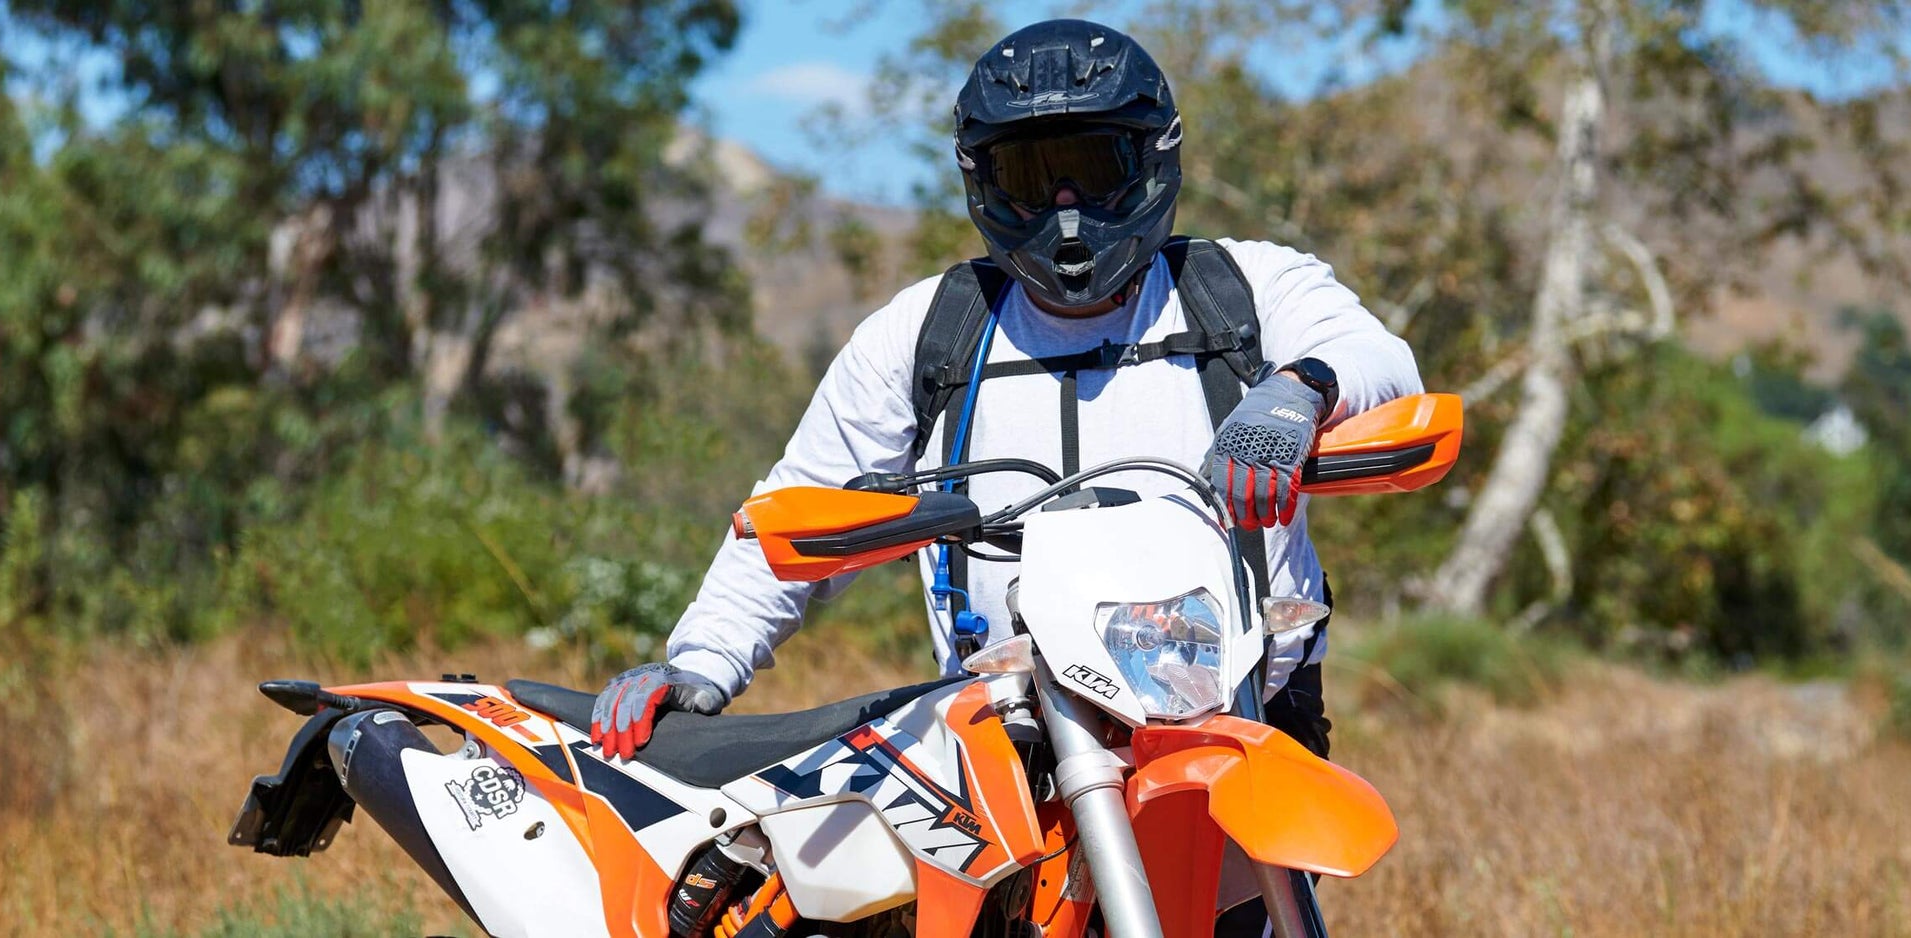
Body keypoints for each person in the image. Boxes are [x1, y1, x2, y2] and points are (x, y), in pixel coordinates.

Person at [592, 15, 1418, 875]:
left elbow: (1383, 363)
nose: (1066, 209)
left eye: (1095, 168)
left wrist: (1298, 391)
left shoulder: (1244, 289)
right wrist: (698, 667)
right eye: (1029, 175)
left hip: (1242, 710)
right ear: (980, 181)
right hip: (1001, 735)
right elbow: (794, 509)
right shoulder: (926, 334)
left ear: (1154, 159)